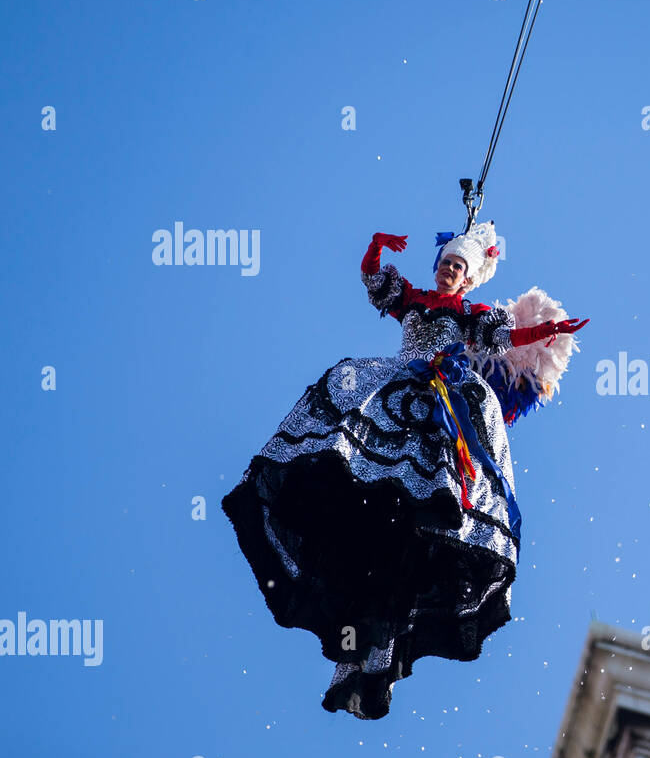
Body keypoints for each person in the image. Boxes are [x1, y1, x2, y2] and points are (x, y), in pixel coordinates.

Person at [221, 223, 588, 719]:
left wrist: (548, 332)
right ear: (436, 270)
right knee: (369, 523)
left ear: (467, 277)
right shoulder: (414, 301)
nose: (447, 272)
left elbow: (511, 336)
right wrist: (374, 244)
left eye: (456, 268)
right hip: (398, 394)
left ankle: (375, 656)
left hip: (439, 406)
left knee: (402, 543)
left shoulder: (471, 316)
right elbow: (372, 277)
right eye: (443, 265)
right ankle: (354, 657)